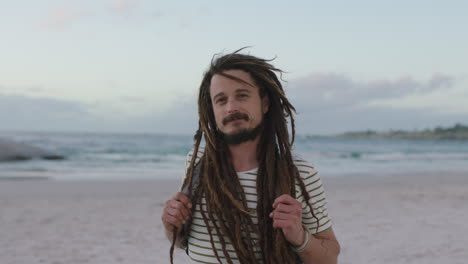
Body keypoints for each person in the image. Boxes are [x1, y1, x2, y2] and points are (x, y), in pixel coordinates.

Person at [161, 49, 340, 264]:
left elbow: (329, 257)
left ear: (264, 103)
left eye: (242, 95)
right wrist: (171, 225)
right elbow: (184, 242)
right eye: (221, 100)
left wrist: (299, 236)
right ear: (212, 110)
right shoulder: (198, 162)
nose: (231, 107)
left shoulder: (299, 173)